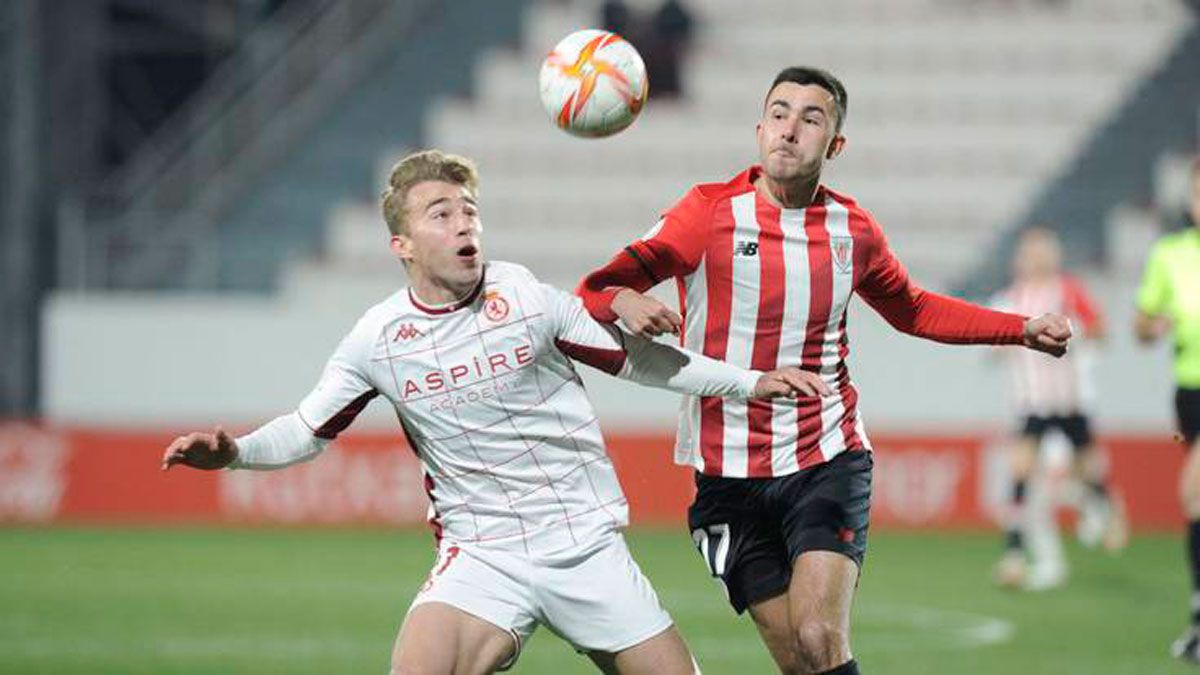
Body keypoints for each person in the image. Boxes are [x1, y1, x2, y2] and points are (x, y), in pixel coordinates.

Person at [160, 149, 822, 675]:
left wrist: (750, 382)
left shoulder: (526, 296)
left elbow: (638, 360)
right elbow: (306, 429)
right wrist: (236, 452)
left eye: (469, 210)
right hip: (484, 555)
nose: (463, 223)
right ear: (404, 245)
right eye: (440, 213)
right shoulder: (379, 338)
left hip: (584, 546)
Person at [576, 67, 1074, 674]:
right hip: (727, 476)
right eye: (780, 114)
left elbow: (913, 310)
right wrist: (625, 300)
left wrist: (1018, 327)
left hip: (824, 456)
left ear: (834, 145)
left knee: (818, 636)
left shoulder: (853, 230)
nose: (791, 130)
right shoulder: (705, 213)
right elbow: (596, 289)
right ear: (759, 130)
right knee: (802, 662)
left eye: (811, 119)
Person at [991, 227, 1126, 591]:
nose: (1036, 258)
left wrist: (1076, 331)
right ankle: (1015, 551)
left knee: (1085, 466)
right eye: (1030, 251)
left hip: (1067, 399)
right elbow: (991, 345)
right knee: (1021, 469)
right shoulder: (1010, 297)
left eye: (1043, 251)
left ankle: (1103, 510)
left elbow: (1100, 330)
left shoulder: (1067, 290)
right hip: (1031, 401)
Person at [1136, 158, 1200, 664]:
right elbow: (1142, 322)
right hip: (1188, 391)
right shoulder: (1170, 254)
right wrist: (1153, 327)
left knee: (1194, 492)